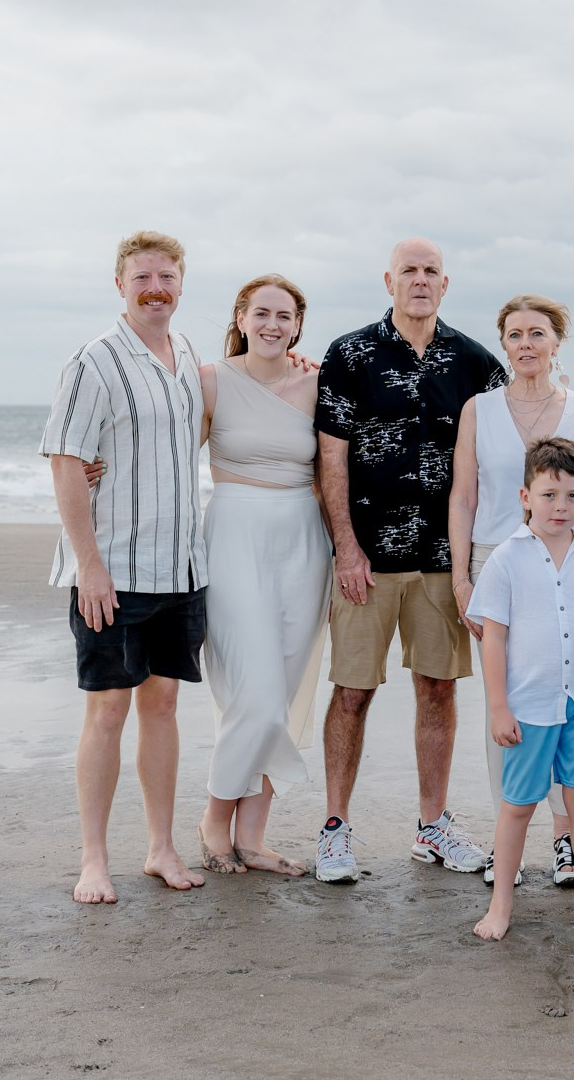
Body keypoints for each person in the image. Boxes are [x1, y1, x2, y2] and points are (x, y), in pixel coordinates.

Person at [311, 238, 505, 883]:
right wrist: (345, 546)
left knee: (438, 689)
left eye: (431, 273)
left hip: (444, 560)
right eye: (409, 272)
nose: (420, 281)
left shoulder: (475, 361)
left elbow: (507, 447)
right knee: (353, 691)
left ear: (444, 284)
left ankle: (432, 826)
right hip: (365, 559)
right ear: (389, 281)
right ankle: (335, 829)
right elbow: (330, 456)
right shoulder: (349, 353)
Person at [40, 231, 209, 904]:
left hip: (181, 567)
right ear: (120, 284)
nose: (155, 287)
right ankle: (93, 859)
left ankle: (161, 846)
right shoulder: (95, 361)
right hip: (113, 570)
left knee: (163, 704)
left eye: (166, 276)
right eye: (143, 276)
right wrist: (89, 566)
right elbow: (64, 461)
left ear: (180, 283)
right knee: (108, 709)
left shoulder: (187, 353)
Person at [467, 437, 574, 944]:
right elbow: (493, 636)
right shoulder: (506, 559)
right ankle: (500, 906)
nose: (560, 506)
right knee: (518, 805)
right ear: (525, 496)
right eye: (548, 495)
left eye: (571, 495)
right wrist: (498, 706)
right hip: (528, 706)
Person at [448, 294, 574, 888]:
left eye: (538, 333)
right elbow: (463, 496)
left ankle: (566, 841)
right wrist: (462, 576)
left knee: (563, 694)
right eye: (515, 334)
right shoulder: (478, 409)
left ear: (557, 342)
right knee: (503, 702)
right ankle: (509, 839)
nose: (526, 344)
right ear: (503, 343)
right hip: (494, 565)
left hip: (565, 567)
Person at [192, 275, 330, 878]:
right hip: (234, 535)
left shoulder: (319, 382)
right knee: (256, 691)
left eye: (285, 315)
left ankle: (254, 835)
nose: (273, 324)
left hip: (303, 541)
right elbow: (170, 456)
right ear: (242, 318)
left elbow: (338, 469)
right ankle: (214, 818)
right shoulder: (210, 379)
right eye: (262, 313)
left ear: (298, 324)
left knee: (287, 687)